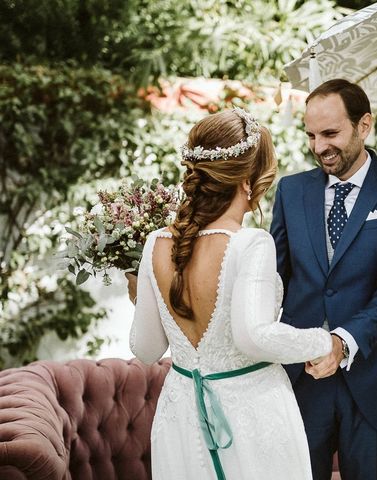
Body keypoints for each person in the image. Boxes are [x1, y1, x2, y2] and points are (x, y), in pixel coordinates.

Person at [128, 108, 332, 480]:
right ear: (248, 182)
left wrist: (148, 300)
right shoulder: (251, 243)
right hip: (251, 416)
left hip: (181, 414)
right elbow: (254, 337)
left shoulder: (155, 244)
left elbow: (145, 349)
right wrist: (323, 343)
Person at [270, 79, 377, 480]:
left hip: (374, 375)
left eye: (330, 133)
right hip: (301, 378)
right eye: (310, 134)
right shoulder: (290, 191)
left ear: (364, 126)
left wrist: (343, 341)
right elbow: (273, 278)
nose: (318, 146)